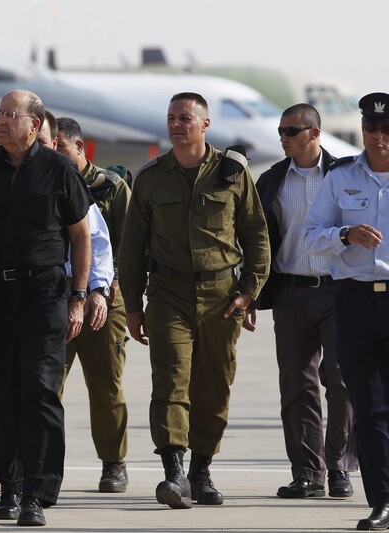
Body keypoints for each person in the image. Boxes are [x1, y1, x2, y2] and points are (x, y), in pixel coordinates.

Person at [119, 92, 270, 509]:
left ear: (205, 124)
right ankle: (174, 472)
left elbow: (256, 234)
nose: (176, 124)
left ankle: (201, 471)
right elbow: (132, 248)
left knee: (214, 385)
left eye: (185, 118)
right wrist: (133, 305)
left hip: (222, 295)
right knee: (170, 381)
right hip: (168, 292)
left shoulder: (232, 173)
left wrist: (249, 291)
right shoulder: (150, 177)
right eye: (171, 118)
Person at [0, 90, 92, 527]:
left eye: (11, 115)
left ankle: (36, 490)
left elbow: (82, 236)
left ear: (35, 124)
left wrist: (80, 296)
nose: (1, 121)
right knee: (1, 393)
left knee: (40, 389)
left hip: (45, 293)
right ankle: (9, 487)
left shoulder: (60, 169)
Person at [248, 103, 356, 500]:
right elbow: (257, 241)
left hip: (340, 290)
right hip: (291, 293)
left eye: (291, 131)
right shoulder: (272, 179)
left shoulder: (345, 175)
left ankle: (339, 466)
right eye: (281, 131)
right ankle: (308, 473)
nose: (284, 137)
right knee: (296, 387)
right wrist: (251, 292)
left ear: (314, 132)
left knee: (340, 379)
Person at [303, 92, 389, 531]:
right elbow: (310, 236)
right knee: (369, 407)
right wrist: (345, 235)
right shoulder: (340, 177)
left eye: (386, 130)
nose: (378, 137)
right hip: (355, 301)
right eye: (371, 129)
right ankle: (382, 501)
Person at [55, 116, 132, 493]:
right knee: (47, 383)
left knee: (105, 384)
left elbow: (130, 240)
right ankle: (30, 460)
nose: (54, 154)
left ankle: (113, 463)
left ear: (79, 148)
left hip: (105, 296)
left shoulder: (109, 187)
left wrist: (110, 283)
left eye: (61, 147)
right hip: (56, 296)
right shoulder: (45, 180)